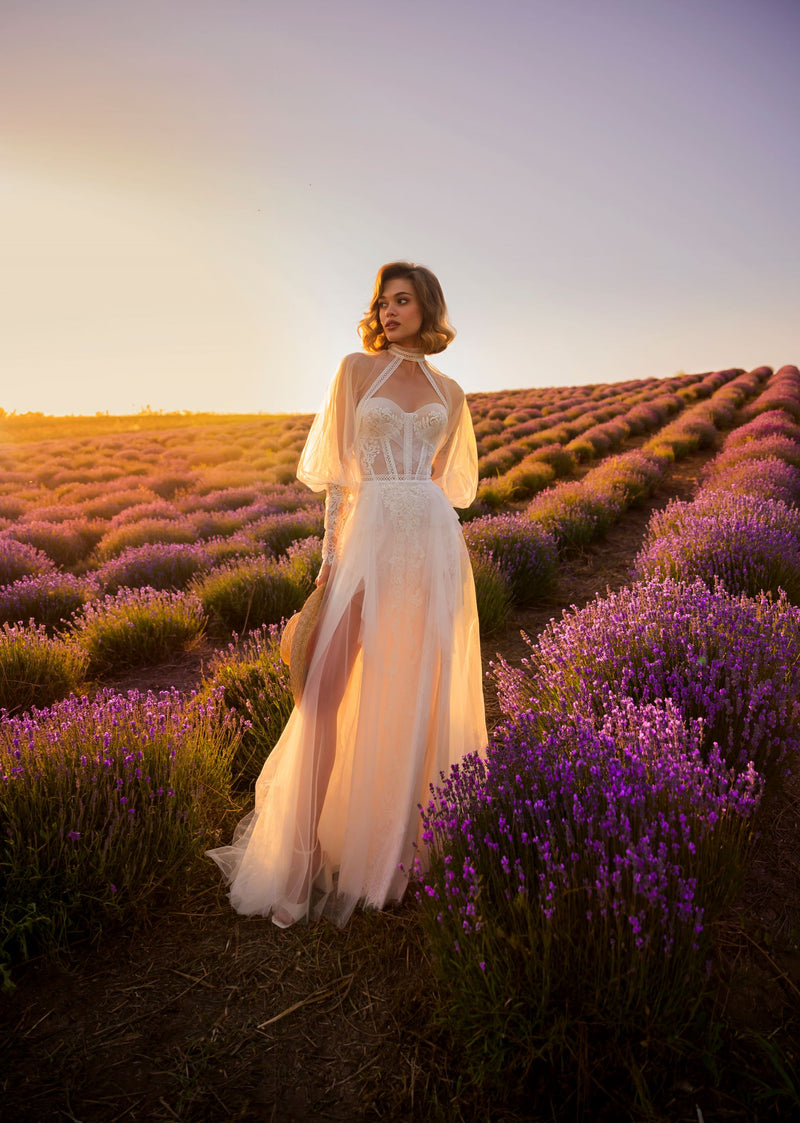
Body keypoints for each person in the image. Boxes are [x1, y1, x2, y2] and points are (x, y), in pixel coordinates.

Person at [208, 261, 488, 927]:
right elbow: (338, 480)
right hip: (366, 544)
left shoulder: (450, 391)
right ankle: (301, 859)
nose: (389, 311)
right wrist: (329, 564)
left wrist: (425, 530)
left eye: (403, 300)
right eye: (383, 300)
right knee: (324, 691)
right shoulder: (355, 371)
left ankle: (388, 854)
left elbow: (449, 484)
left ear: (427, 309)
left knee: (411, 695)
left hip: (430, 547)